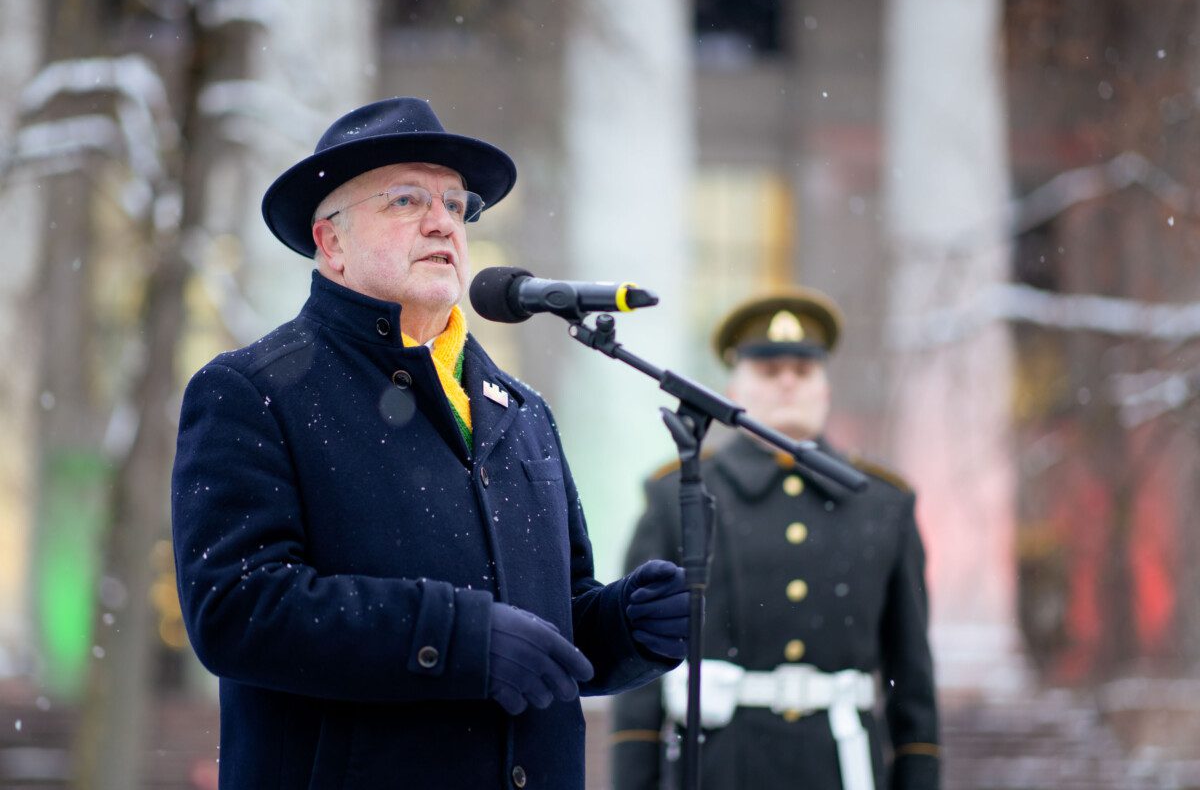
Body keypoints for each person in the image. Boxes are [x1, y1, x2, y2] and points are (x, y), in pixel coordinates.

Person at [171, 96, 690, 789]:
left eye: (455, 204)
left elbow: (551, 626)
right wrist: (452, 638)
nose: (443, 221)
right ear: (331, 242)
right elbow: (237, 609)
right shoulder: (253, 390)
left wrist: (627, 627)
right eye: (406, 200)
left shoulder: (521, 411)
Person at [610, 289, 940, 790]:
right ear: (734, 388)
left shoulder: (883, 503)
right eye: (768, 371)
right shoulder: (679, 495)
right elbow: (640, 672)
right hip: (720, 768)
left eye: (803, 370)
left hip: (841, 767)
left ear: (825, 389)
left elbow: (912, 678)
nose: (787, 382)